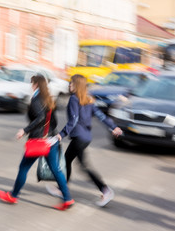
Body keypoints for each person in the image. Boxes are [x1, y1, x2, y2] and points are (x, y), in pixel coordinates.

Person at [0, 75, 74, 211]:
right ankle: (67, 198)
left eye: (32, 83)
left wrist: (25, 130)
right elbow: (53, 121)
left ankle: (13, 195)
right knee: (56, 169)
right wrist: (52, 133)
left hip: (39, 141)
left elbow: (40, 117)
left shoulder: (37, 99)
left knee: (23, 168)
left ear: (36, 84)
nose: (31, 85)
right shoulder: (49, 98)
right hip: (51, 140)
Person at [48, 74, 122, 207]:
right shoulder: (88, 99)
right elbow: (101, 116)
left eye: (71, 83)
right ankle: (63, 188)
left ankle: (104, 189)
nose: (69, 85)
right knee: (71, 162)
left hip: (79, 138)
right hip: (85, 137)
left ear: (77, 85)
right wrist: (113, 127)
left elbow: (74, 120)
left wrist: (61, 134)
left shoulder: (74, 99)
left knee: (77, 164)